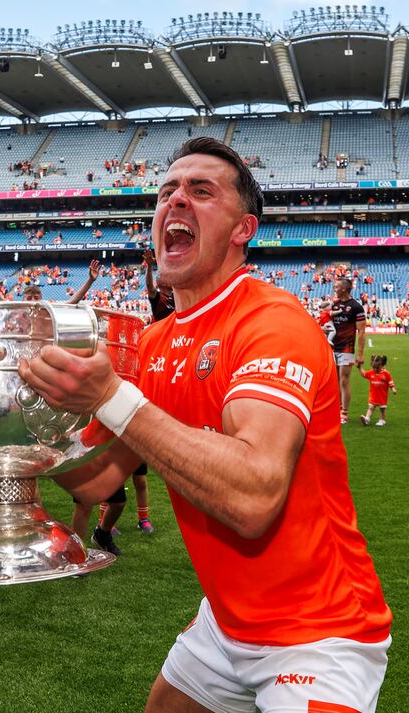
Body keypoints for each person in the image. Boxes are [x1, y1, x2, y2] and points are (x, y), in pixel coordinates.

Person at [19, 137, 390, 712]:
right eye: (167, 191)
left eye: (201, 191)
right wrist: (21, 436)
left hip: (318, 633)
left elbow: (254, 496)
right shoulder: (155, 339)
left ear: (244, 228)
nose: (176, 201)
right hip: (224, 623)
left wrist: (112, 397)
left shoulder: (273, 323)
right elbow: (93, 481)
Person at [0, 250, 98, 304]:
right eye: (29, 298)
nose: (33, 301)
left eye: (36, 298)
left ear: (41, 298)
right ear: (22, 299)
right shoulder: (18, 309)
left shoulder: (46, 310)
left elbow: (72, 301)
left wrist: (90, 280)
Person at [330, 277, 366, 424]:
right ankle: (336, 409)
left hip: (346, 347)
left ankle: (344, 414)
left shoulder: (356, 307)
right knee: (334, 381)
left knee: (344, 380)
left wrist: (360, 354)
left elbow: (362, 332)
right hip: (331, 347)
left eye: (336, 287)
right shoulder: (334, 304)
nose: (334, 289)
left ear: (344, 288)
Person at [359, 355, 397, 426]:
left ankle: (382, 420)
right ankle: (367, 419)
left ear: (382, 365)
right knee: (371, 407)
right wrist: (359, 367)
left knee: (382, 409)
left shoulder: (386, 374)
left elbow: (390, 382)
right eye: (373, 367)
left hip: (382, 395)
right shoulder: (371, 373)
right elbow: (364, 374)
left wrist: (393, 388)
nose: (375, 369)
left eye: (377, 368)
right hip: (373, 395)